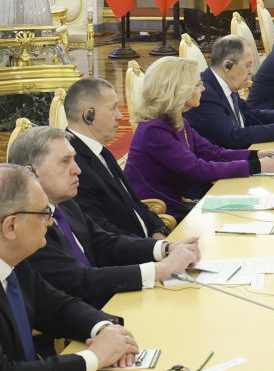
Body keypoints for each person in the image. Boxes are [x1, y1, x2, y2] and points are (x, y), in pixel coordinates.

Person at [8, 127, 200, 308]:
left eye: (74, 159)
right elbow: (79, 280)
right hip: (83, 314)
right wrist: (161, 269)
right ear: (30, 173)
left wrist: (166, 248)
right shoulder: (26, 225)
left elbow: (105, 243)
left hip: (104, 304)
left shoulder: (66, 203)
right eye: (65, 161)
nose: (77, 169)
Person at [0, 163, 141, 369]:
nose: (50, 223)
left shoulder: (16, 263)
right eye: (43, 214)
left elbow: (56, 307)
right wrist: (95, 357)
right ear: (11, 226)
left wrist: (105, 330)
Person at [125, 57, 274, 218]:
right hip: (159, 213)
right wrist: (258, 166)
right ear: (178, 91)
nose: (203, 89)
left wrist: (256, 155)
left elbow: (213, 152)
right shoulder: (154, 129)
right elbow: (197, 169)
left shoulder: (177, 120)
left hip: (178, 203)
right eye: (197, 85)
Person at [62, 77, 169, 238]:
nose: (120, 116)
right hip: (130, 250)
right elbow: (102, 232)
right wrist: (155, 248)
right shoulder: (74, 165)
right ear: (89, 115)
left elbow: (134, 203)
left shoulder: (99, 150)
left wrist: (159, 229)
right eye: (113, 109)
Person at [184, 36, 274, 149]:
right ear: (227, 66)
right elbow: (233, 137)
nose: (251, 71)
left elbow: (251, 115)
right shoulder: (205, 94)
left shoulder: (225, 82)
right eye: (248, 65)